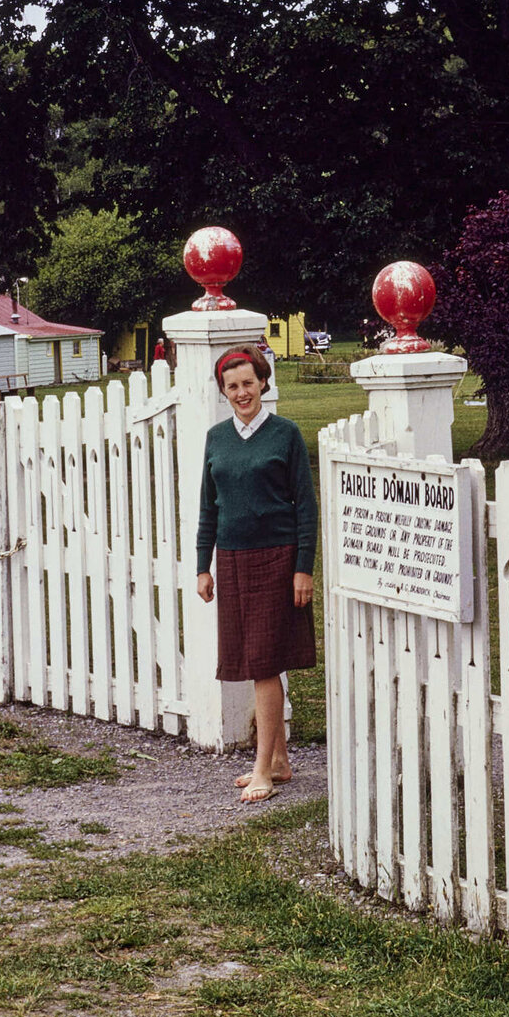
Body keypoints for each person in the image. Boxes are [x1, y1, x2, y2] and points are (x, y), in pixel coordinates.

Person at [195, 344, 317, 803]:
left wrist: (302, 569)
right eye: (232, 386)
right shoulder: (216, 437)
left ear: (263, 382)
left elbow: (305, 506)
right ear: (223, 392)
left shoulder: (285, 434)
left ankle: (262, 768)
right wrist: (202, 567)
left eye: (249, 383)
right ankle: (281, 760)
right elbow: (209, 506)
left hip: (277, 558)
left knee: (265, 664)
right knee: (252, 661)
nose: (242, 392)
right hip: (231, 559)